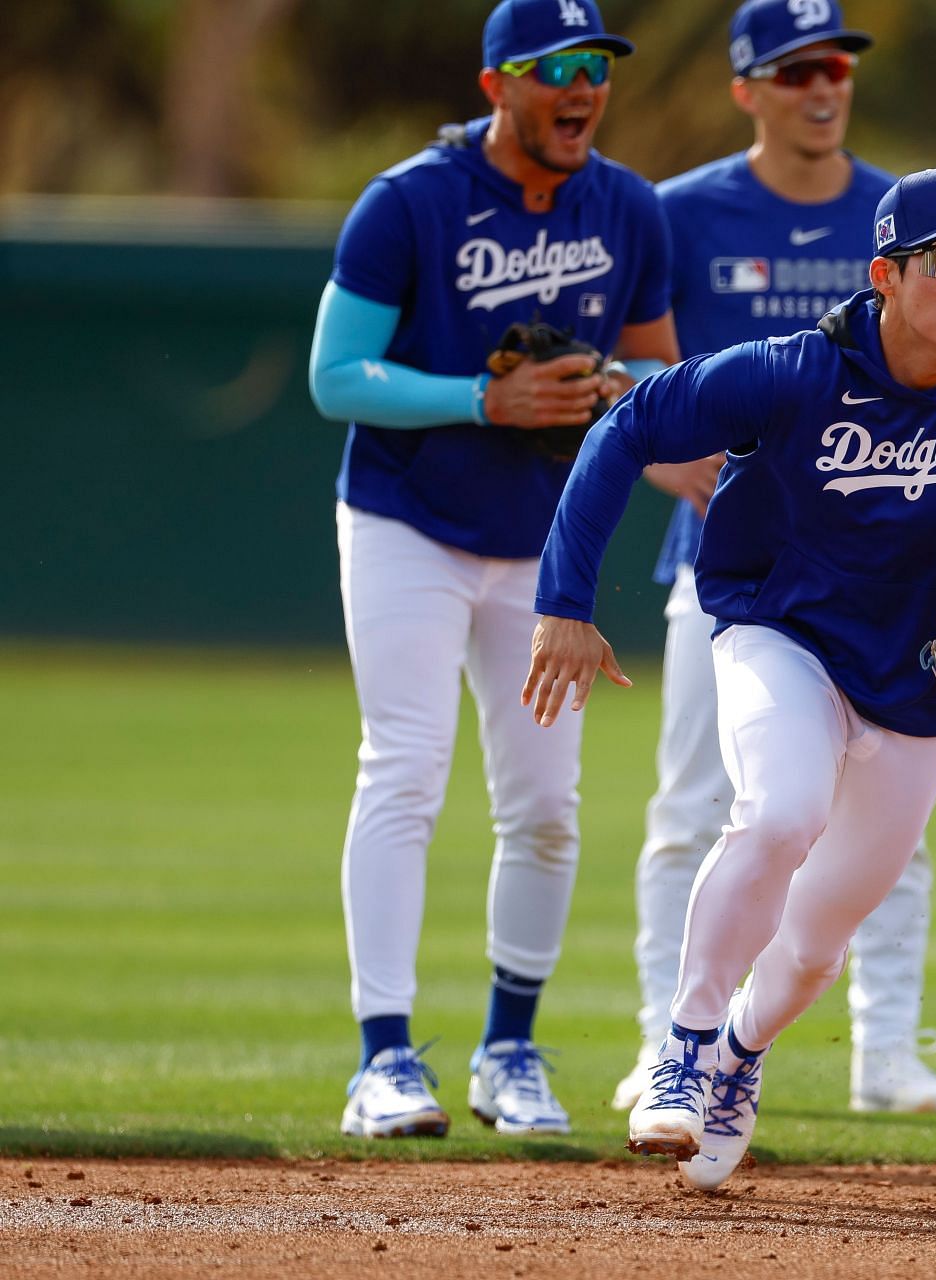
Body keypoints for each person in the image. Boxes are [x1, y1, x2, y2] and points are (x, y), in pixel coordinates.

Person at [524, 167, 936, 1189]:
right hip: (776, 632)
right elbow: (628, 426)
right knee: (780, 813)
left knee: (819, 938)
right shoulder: (792, 372)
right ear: (886, 272)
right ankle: (688, 1040)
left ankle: (741, 1054)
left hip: (921, 690)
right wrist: (566, 600)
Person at [307, 0, 679, 1139]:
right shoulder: (409, 200)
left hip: (542, 539)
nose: (582, 87)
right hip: (406, 521)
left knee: (546, 805)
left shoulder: (627, 208)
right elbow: (336, 375)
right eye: (555, 67)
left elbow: (664, 374)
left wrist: (622, 392)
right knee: (405, 770)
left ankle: (509, 1050)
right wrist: (483, 396)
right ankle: (384, 1061)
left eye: (597, 67)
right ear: (495, 85)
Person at [608, 0, 936, 1120]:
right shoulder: (682, 212)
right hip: (729, 564)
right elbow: (630, 377)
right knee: (699, 808)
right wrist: (678, 467)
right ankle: (664, 1041)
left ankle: (888, 1048)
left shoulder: (896, 212)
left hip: (880, 568)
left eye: (839, 65)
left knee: (890, 826)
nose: (825, 86)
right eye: (798, 68)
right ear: (748, 88)